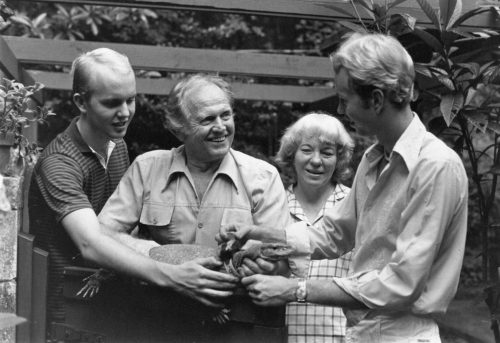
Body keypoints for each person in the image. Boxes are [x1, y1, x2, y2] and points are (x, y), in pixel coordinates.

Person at [217, 33, 468, 342]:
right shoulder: (374, 160)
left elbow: (402, 282)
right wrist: (258, 234)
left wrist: (296, 290)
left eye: (344, 99)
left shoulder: (435, 165)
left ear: (375, 100)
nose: (339, 109)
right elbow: (335, 232)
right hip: (362, 332)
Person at [29, 50, 238, 336]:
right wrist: (176, 276)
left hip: (113, 306)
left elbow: (124, 229)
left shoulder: (118, 146)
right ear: (81, 102)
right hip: (67, 308)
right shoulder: (59, 163)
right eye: (112, 103)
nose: (125, 112)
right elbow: (90, 243)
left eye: (130, 99)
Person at [96, 73, 291, 338]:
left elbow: (281, 261)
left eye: (226, 115)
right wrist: (161, 257)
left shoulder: (264, 178)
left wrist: (269, 267)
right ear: (179, 129)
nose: (221, 127)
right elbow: (102, 234)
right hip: (157, 320)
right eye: (207, 119)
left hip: (237, 325)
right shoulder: (147, 168)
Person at [275, 112, 354, 343]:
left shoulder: (355, 204)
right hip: (282, 335)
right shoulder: (273, 204)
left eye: (327, 152)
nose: (316, 160)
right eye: (307, 150)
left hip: (344, 336)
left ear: (339, 159)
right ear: (292, 154)